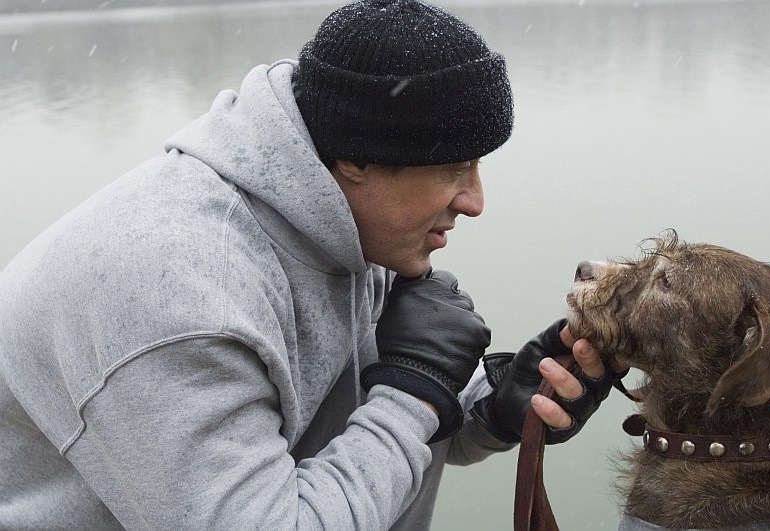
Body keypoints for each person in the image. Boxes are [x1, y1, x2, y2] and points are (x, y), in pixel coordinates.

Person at [0, 1, 617, 529]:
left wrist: (492, 409)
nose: (475, 201)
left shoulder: (340, 213)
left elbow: (361, 436)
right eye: (454, 168)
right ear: (356, 158)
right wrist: (416, 393)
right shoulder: (172, 294)